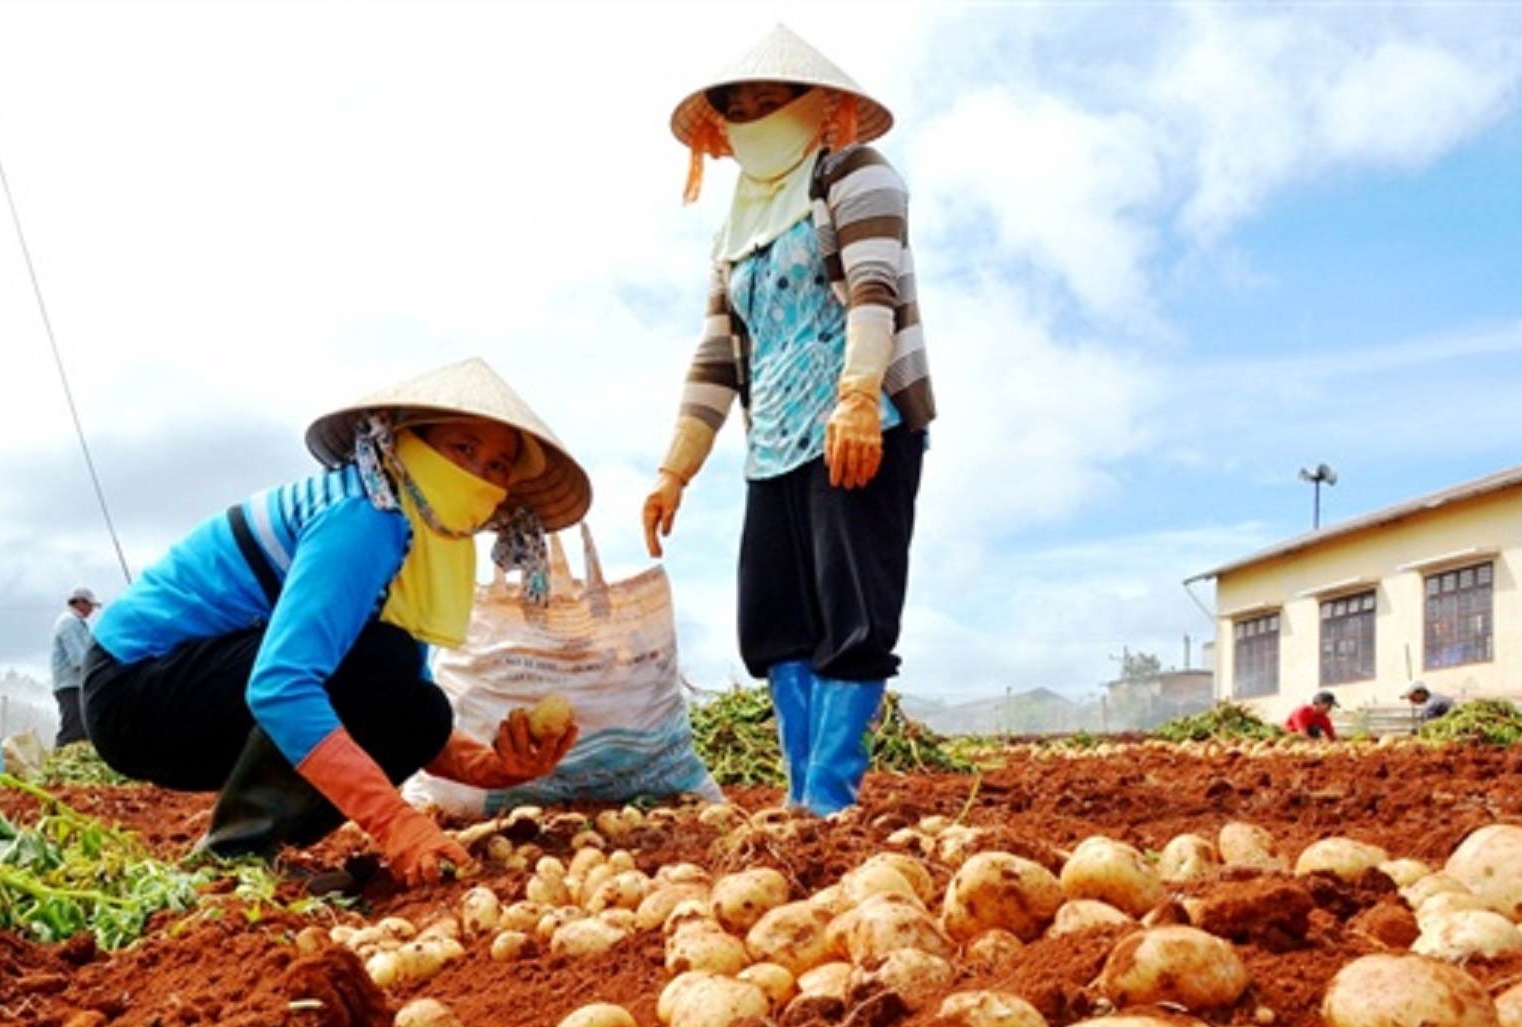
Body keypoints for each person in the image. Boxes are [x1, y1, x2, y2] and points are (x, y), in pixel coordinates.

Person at [81, 357, 592, 886]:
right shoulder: (363, 517)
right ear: (402, 441)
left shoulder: (414, 539)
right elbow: (282, 687)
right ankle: (238, 856)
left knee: (421, 707)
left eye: (498, 466)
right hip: (135, 688)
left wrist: (493, 770)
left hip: (195, 686)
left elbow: (396, 707)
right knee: (383, 660)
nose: (477, 476)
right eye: (463, 449)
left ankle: (261, 846)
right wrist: (396, 824)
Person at [641, 24, 935, 818]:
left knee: (853, 613)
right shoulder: (736, 227)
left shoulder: (856, 176)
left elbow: (874, 289)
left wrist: (857, 402)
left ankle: (831, 798)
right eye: (738, 107)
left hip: (857, 426)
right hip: (770, 445)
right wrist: (676, 467)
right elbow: (715, 356)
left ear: (818, 107)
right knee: (774, 621)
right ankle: (800, 797)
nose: (753, 115)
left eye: (771, 101)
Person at [50, 586, 101, 747]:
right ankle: (58, 761)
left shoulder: (78, 624)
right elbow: (79, 659)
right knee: (73, 728)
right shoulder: (69, 622)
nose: (92, 609)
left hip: (77, 684)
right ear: (79, 602)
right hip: (70, 685)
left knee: (82, 728)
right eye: (90, 605)